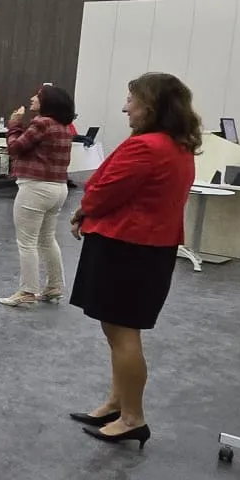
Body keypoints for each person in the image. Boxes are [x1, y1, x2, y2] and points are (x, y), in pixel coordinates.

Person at [68, 73, 200, 449]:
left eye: (131, 99)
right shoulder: (178, 146)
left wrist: (83, 212)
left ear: (152, 105)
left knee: (122, 334)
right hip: (148, 247)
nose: (126, 107)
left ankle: (132, 417)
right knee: (118, 332)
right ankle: (116, 403)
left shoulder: (146, 147)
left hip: (127, 246)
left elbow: (103, 189)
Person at [0, 85, 78, 307]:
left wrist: (14, 124)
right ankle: (54, 287)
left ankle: (27, 291)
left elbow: (15, 148)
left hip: (36, 188)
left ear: (47, 102)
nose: (32, 98)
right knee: (47, 239)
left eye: (38, 96)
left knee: (27, 242)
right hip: (58, 188)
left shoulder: (42, 123)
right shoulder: (64, 126)